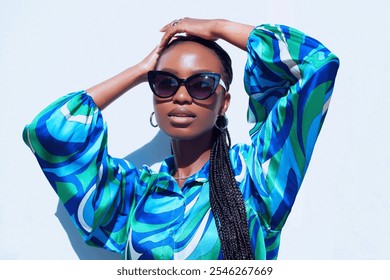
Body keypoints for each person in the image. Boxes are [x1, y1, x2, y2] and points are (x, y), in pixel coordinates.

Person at [22, 18, 339, 260]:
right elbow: (50, 133)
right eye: (165, 82)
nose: (182, 96)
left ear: (223, 102)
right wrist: (140, 71)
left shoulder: (257, 176)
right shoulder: (134, 193)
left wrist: (216, 27)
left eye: (201, 84)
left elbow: (317, 64)